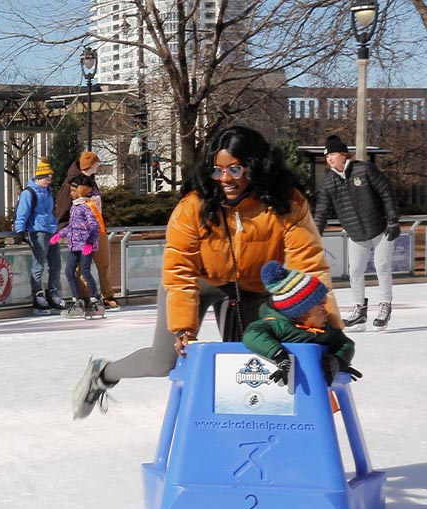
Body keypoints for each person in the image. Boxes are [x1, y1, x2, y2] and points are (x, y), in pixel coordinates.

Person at [72, 125, 340, 420]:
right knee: (164, 362)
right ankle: (104, 372)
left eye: (235, 170)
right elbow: (179, 269)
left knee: (251, 361)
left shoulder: (287, 203)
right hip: (196, 282)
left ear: (256, 166)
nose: (225, 179)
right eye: (218, 170)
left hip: (251, 287)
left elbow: (310, 267)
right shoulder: (194, 206)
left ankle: (239, 433)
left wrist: (328, 336)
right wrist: (184, 329)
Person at [241, 261, 361, 509]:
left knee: (309, 457)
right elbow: (252, 335)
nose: (326, 310)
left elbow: (346, 343)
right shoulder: (275, 326)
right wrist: (280, 356)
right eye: (319, 306)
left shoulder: (322, 330)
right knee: (277, 457)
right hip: (278, 407)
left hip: (312, 408)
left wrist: (338, 360)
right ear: (299, 312)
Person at [312, 135, 402, 330]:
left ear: (343, 154)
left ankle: (385, 305)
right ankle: (359, 310)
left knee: (382, 266)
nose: (329, 159)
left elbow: (386, 192)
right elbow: (321, 211)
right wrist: (314, 235)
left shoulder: (365, 169)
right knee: (355, 270)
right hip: (356, 233)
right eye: (326, 157)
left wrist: (394, 220)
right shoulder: (329, 182)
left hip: (381, 228)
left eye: (332, 154)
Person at [55, 151, 119, 310]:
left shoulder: (91, 181)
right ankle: (86, 296)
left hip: (99, 229)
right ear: (90, 165)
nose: (98, 165)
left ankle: (107, 295)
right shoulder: (72, 183)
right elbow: (62, 208)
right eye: (97, 163)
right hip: (81, 233)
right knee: (81, 268)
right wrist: (64, 229)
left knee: (104, 263)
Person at [13, 159, 67, 313]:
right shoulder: (28, 193)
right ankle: (38, 296)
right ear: (38, 178)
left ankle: (53, 295)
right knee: (39, 265)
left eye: (50, 177)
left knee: (55, 265)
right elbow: (22, 213)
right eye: (46, 177)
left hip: (51, 231)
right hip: (38, 232)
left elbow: (51, 212)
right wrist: (19, 231)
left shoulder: (48, 191)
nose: (49, 180)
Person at [51, 174, 104, 318]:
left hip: (86, 244)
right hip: (75, 244)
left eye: (73, 191)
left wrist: (89, 242)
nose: (71, 194)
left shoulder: (87, 207)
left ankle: (96, 300)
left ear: (82, 190)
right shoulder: (75, 207)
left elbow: (95, 226)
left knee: (85, 272)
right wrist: (60, 234)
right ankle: (77, 301)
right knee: (69, 271)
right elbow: (72, 227)